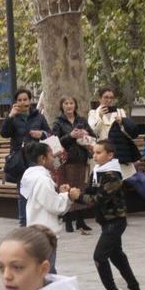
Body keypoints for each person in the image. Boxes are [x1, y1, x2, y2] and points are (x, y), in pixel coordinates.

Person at [89, 138, 145, 290]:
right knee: (117, 257)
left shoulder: (112, 175)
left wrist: (76, 197)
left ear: (110, 155)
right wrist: (70, 191)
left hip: (115, 221)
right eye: (94, 152)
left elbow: (97, 199)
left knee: (99, 256)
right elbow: (90, 190)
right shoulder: (98, 170)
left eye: (99, 153)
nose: (95, 156)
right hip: (106, 221)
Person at [52, 96, 94, 234]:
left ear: (75, 106)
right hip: (65, 161)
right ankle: (68, 220)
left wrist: (85, 133)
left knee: (80, 188)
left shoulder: (81, 120)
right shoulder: (58, 122)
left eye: (71, 103)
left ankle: (80, 221)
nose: (69, 106)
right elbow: (55, 141)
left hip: (80, 159)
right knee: (67, 189)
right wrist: (71, 136)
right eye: (66, 103)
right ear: (62, 106)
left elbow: (93, 137)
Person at [20, 140, 77, 237]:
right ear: (42, 158)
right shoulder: (43, 180)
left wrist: (61, 193)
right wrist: (69, 196)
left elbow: (45, 200)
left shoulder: (31, 175)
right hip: (45, 232)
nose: (54, 158)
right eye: (51, 155)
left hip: (36, 228)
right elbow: (56, 206)